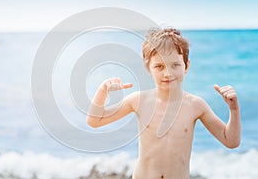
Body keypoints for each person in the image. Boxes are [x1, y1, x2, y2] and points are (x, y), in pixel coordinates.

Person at [87, 27, 241, 179]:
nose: (167, 73)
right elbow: (95, 120)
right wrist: (102, 91)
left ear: (186, 66)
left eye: (175, 65)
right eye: (159, 66)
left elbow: (231, 141)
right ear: (149, 68)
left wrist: (233, 109)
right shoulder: (139, 101)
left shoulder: (196, 105)